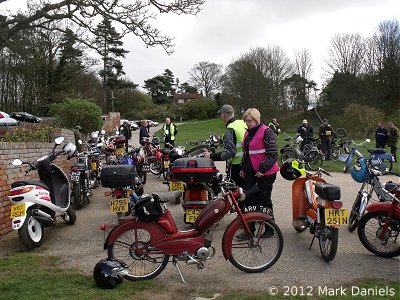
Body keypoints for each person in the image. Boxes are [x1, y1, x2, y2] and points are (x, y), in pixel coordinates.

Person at [237, 108, 279, 240]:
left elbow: (273, 154)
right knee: (249, 200)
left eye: (249, 121)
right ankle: (249, 230)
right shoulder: (247, 133)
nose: (247, 123)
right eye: (246, 121)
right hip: (250, 172)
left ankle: (270, 228)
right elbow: (247, 153)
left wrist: (262, 169)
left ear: (256, 119)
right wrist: (243, 168)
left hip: (265, 173)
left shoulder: (267, 132)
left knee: (264, 200)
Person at [203, 104, 247, 188]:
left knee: (235, 193)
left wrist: (211, 156)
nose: (220, 117)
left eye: (220, 114)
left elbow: (230, 152)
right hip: (247, 163)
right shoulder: (242, 123)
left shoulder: (230, 129)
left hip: (236, 166)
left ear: (224, 115)